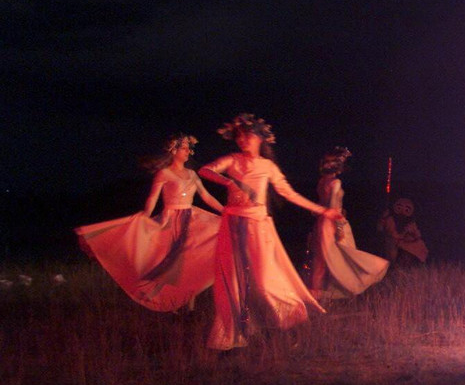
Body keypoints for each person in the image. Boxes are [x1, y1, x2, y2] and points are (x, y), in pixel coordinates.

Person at [198, 114, 337, 351]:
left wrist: (323, 210)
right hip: (232, 223)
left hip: (258, 225)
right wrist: (230, 183)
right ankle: (232, 335)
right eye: (240, 137)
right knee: (232, 279)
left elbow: (288, 193)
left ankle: (290, 321)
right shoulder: (232, 160)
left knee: (264, 279)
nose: (243, 141)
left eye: (248, 136)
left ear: (260, 139)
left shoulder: (267, 166)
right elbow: (205, 170)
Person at [75, 133, 223, 311]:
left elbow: (206, 196)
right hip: (171, 219)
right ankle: (160, 295)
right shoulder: (164, 173)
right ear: (173, 150)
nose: (188, 151)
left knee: (189, 259)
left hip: (192, 218)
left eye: (188, 148)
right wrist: (145, 216)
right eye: (183, 148)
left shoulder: (192, 174)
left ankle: (186, 304)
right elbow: (153, 198)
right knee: (169, 262)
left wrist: (225, 212)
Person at [306, 147, 389, 301]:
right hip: (332, 223)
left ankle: (318, 293)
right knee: (344, 257)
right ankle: (346, 289)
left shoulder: (322, 182)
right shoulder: (335, 182)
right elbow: (331, 208)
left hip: (322, 222)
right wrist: (338, 228)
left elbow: (323, 205)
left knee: (322, 260)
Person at [379, 197, 428, 265]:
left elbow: (417, 235)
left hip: (406, 243)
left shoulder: (410, 222)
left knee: (418, 246)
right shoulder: (390, 219)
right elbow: (393, 234)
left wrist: (414, 235)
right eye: (399, 208)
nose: (402, 212)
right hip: (393, 242)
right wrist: (404, 233)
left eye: (406, 210)